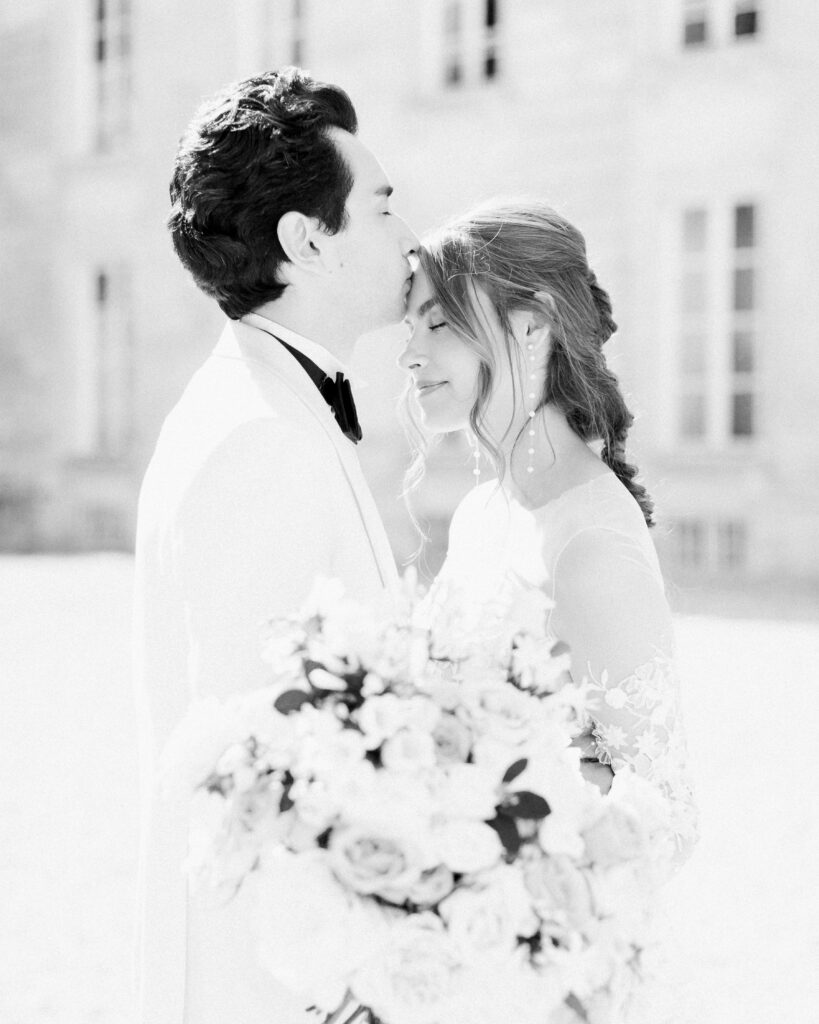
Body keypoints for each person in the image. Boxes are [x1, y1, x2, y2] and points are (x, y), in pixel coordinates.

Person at [133, 68, 418, 1024]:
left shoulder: (272, 404)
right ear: (307, 241)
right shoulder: (257, 437)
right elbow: (250, 780)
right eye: (380, 208)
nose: (407, 236)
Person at [400, 199, 697, 858]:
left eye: (439, 322)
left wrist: (511, 881)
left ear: (531, 328)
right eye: (409, 328)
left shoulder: (590, 548)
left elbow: (665, 820)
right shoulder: (483, 512)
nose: (410, 355)